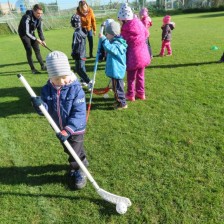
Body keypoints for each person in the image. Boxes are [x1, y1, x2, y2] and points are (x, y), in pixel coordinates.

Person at [31, 51, 88, 190]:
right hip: (59, 129)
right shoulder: (47, 89)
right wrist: (38, 105)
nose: (61, 82)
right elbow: (45, 109)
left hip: (75, 129)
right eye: (57, 79)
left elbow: (79, 113)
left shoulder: (76, 89)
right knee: (69, 149)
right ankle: (83, 160)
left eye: (64, 77)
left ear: (68, 73)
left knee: (73, 151)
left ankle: (78, 170)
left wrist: (68, 130)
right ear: (51, 77)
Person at [118, 3, 150, 101]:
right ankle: (141, 93)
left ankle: (131, 95)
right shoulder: (139, 23)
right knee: (141, 75)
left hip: (133, 57)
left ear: (124, 19)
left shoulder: (125, 29)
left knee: (131, 77)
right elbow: (146, 34)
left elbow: (122, 42)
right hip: (143, 54)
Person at [99, 21, 128, 110]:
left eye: (107, 34)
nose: (106, 36)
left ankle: (122, 103)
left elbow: (112, 49)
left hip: (116, 70)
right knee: (116, 87)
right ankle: (119, 100)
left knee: (117, 89)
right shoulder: (116, 42)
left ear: (112, 34)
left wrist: (103, 39)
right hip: (116, 70)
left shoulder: (117, 44)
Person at [18, 4, 47, 74]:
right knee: (29, 51)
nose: (39, 15)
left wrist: (42, 40)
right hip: (24, 34)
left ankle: (43, 66)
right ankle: (33, 69)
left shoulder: (39, 19)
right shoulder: (27, 17)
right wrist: (36, 39)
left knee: (37, 50)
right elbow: (27, 32)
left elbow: (40, 30)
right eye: (38, 13)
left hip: (31, 33)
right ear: (33, 11)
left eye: (41, 13)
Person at [70, 14, 93, 91]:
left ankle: (89, 82)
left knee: (79, 69)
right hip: (83, 53)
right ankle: (84, 81)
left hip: (78, 55)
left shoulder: (76, 33)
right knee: (81, 68)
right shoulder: (81, 31)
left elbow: (75, 44)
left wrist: (73, 53)